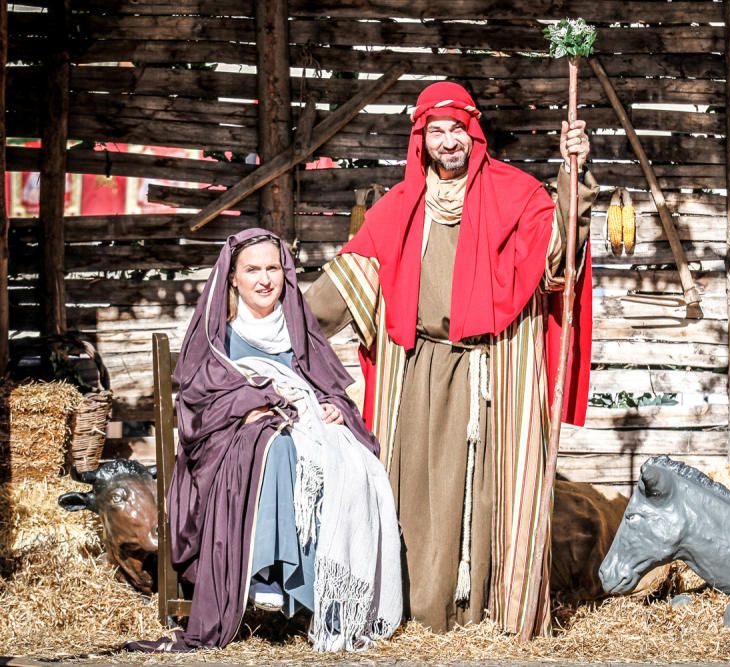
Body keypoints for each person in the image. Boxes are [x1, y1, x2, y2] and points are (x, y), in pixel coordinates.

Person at [305, 81, 596, 636]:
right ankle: (416, 606)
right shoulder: (398, 209)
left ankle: (490, 609)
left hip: (496, 371)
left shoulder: (518, 195)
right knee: (415, 488)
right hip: (420, 370)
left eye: (456, 130)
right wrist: (276, 322)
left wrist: (571, 173)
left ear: (473, 133)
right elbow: (348, 283)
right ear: (421, 140)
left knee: (493, 490)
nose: (447, 141)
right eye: (435, 131)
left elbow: (558, 252)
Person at [127, 228, 401, 652]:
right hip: (227, 454)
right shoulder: (218, 341)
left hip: (304, 435)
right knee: (273, 444)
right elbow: (198, 409)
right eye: (252, 269)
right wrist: (248, 406)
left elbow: (328, 389)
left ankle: (320, 588)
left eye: (273, 268)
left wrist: (330, 407)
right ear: (232, 277)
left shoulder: (300, 337)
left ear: (285, 275)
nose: (264, 279)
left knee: (350, 459)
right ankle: (267, 573)